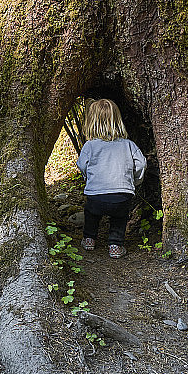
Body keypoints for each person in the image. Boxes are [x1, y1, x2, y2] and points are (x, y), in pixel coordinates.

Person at [75, 99, 146, 259]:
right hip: (122, 194)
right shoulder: (129, 145)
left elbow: (82, 165)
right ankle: (115, 245)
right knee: (119, 218)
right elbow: (141, 164)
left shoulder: (90, 146)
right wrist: (134, 181)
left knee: (91, 214)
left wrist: (89, 178)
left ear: (92, 122)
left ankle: (89, 239)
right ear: (117, 120)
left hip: (96, 195)